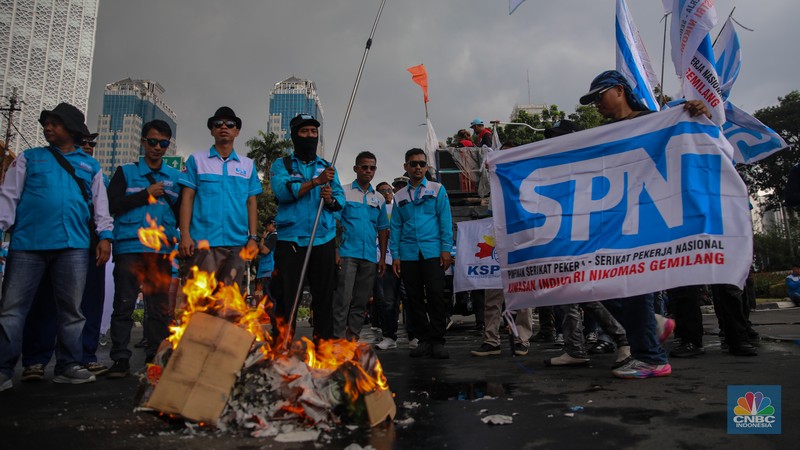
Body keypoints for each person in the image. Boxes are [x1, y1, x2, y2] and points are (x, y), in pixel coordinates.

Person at [0, 103, 113, 390]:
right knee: (13, 309)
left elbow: (101, 207)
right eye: (46, 123)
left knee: (71, 310)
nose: (48, 127)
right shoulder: (29, 158)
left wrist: (105, 238)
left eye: (56, 123)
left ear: (71, 128)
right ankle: (3, 369)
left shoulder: (91, 165)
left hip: (73, 246)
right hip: (28, 244)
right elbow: (8, 197)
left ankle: (69, 365)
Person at [578, 71, 679, 379]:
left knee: (634, 286)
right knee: (599, 282)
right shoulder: (604, 133)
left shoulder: (655, 121)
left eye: (600, 96)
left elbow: (685, 138)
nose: (596, 104)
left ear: (619, 90)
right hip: (616, 222)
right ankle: (652, 325)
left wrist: (693, 110)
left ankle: (651, 358)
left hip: (648, 219)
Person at [106, 119, 182, 378]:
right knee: (124, 304)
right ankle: (119, 359)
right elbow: (112, 204)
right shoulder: (125, 172)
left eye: (163, 143)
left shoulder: (175, 177)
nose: (157, 148)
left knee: (159, 307)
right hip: (130, 246)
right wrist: (146, 194)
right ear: (143, 142)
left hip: (160, 250)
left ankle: (155, 357)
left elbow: (183, 210)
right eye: (152, 142)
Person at [270, 113, 344, 341]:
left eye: (313, 132)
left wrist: (330, 198)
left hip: (322, 238)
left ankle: (323, 347)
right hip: (291, 240)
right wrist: (315, 182)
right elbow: (282, 192)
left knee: (324, 298)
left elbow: (340, 203)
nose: (310, 136)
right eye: (304, 132)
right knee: (286, 297)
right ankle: (281, 346)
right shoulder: (281, 164)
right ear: (294, 135)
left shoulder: (327, 167)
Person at [178, 107, 262, 290]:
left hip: (236, 244)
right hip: (203, 243)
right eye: (218, 124)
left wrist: (253, 238)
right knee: (200, 301)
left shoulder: (247, 165)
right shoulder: (197, 160)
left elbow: (251, 202)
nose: (224, 127)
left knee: (229, 304)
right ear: (212, 130)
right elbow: (187, 198)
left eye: (230, 124)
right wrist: (184, 235)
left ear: (237, 131)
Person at [390, 148, 453, 359]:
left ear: (426, 167)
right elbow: (396, 227)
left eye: (421, 164)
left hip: (433, 251)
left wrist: (446, 249)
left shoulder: (437, 189)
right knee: (413, 299)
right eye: (413, 163)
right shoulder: (398, 196)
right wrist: (395, 255)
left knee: (435, 295)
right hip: (408, 254)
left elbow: (445, 221)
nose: (418, 167)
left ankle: (437, 341)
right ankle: (424, 340)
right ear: (406, 167)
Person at [332, 152, 389, 340]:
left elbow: (382, 229)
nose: (368, 171)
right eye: (364, 167)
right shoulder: (343, 192)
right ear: (355, 169)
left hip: (370, 256)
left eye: (372, 167)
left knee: (361, 301)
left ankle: (353, 337)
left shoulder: (379, 198)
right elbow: (335, 223)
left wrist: (381, 258)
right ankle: (338, 339)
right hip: (347, 253)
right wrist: (335, 251)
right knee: (342, 299)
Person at [255, 216, 277, 300]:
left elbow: (264, 250)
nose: (266, 229)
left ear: (271, 224)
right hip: (269, 270)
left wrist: (263, 238)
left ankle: (270, 313)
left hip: (269, 270)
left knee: (269, 297)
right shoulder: (274, 236)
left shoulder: (273, 237)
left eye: (266, 226)